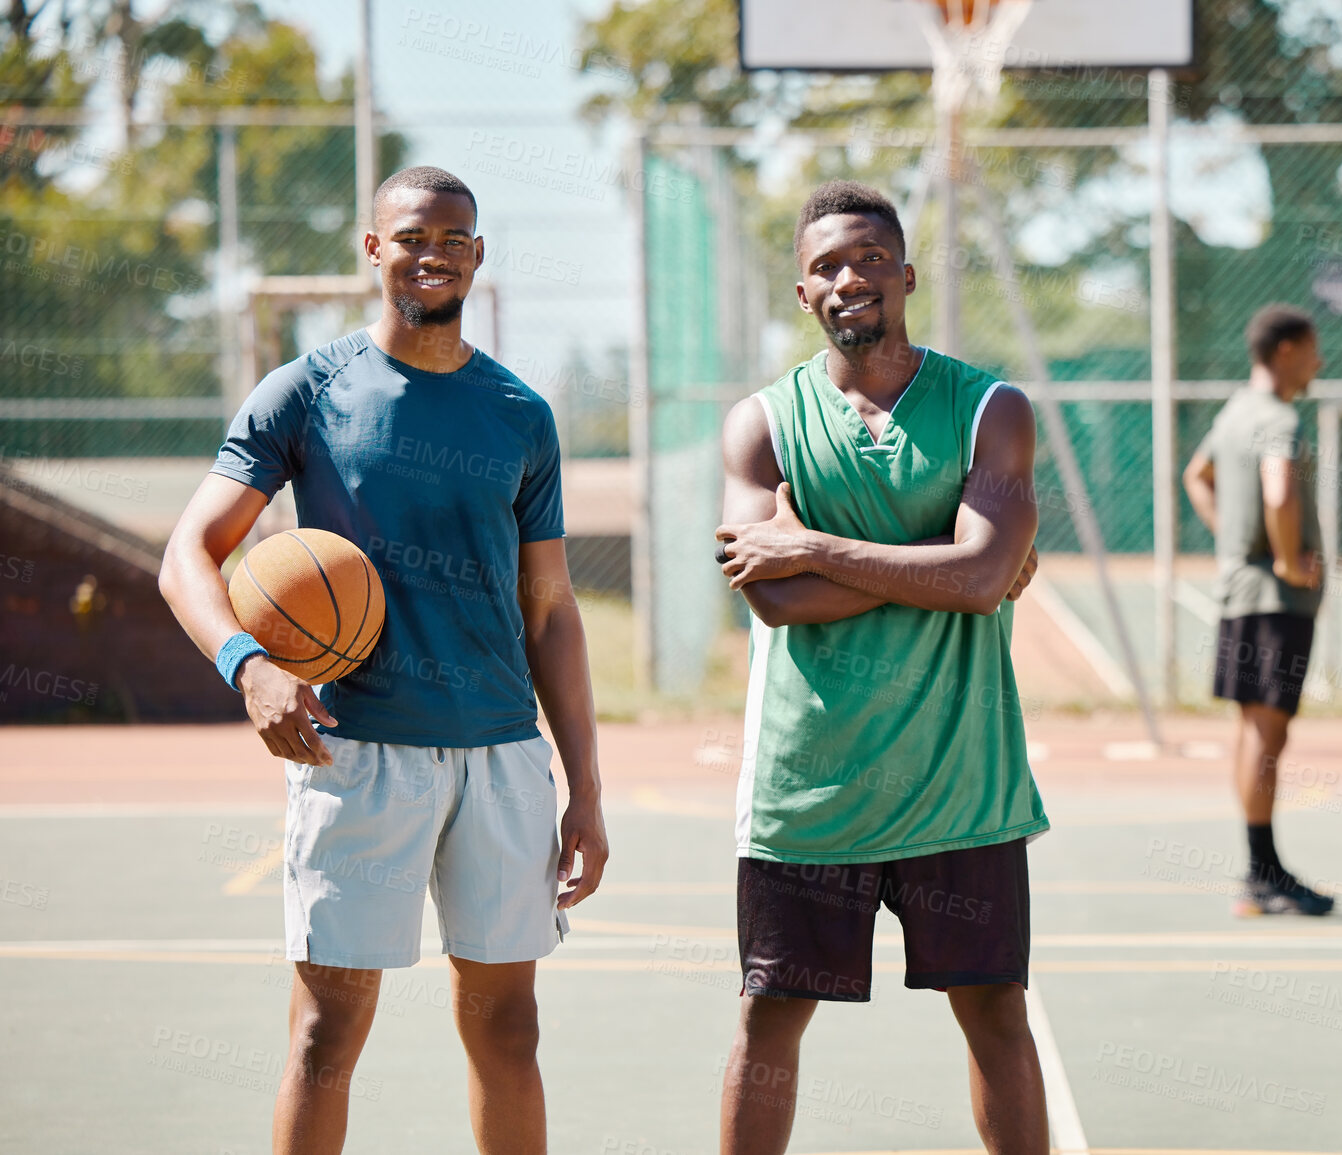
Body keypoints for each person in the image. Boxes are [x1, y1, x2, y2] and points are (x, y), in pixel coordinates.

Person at [158, 166, 608, 1154]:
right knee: (325, 1036)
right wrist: (251, 664)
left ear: (478, 256)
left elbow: (551, 610)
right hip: (355, 753)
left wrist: (586, 788)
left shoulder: (520, 413)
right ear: (373, 250)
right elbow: (187, 554)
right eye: (411, 236)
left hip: (498, 751)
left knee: (510, 1029)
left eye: (454, 237)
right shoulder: (307, 392)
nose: (433, 252)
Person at [713, 180, 1047, 1155]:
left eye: (867, 258)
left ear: (905, 273)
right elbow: (772, 597)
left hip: (961, 782)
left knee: (995, 1015)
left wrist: (815, 546)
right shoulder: (762, 424)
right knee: (769, 1022)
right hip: (809, 788)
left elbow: (983, 577)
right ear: (803, 291)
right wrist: (940, 562)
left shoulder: (991, 407)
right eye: (826, 265)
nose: (849, 277)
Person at [1182, 304, 1333, 917]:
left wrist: (1229, 541)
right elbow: (1279, 488)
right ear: (1289, 349)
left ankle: (1259, 869)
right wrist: (1291, 558)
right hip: (1275, 601)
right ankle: (1263, 875)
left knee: (1254, 731)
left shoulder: (1234, 413)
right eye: (1314, 348)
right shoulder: (1278, 418)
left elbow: (1197, 475)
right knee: (1268, 735)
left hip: (1240, 596)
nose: (1320, 361)